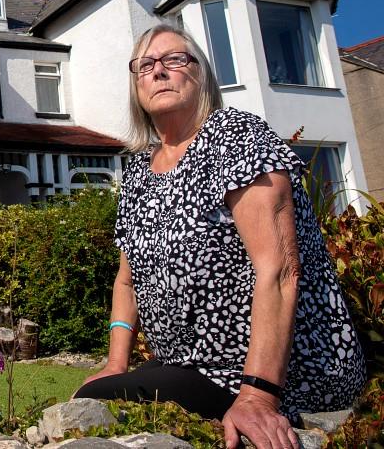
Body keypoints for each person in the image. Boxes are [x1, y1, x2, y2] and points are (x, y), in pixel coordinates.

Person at [75, 25, 366, 449]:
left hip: (273, 370)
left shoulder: (236, 137)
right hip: (189, 365)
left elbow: (281, 269)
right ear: (135, 86)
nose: (159, 72)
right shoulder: (138, 169)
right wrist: (116, 361)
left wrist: (257, 397)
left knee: (100, 406)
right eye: (146, 65)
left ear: (202, 75)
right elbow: (127, 279)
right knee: (97, 392)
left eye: (175, 60)